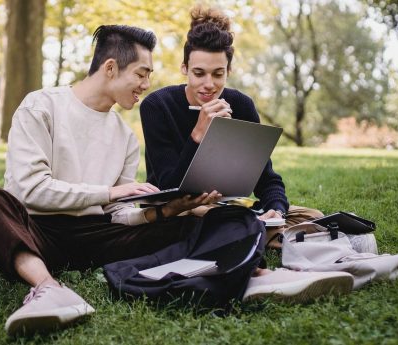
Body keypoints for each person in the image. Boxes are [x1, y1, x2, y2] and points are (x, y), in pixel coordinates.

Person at [0, 24, 352, 337]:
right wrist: (111, 191)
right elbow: (27, 189)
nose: (145, 84)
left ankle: (259, 274)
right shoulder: (42, 106)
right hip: (38, 229)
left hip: (99, 235)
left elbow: (118, 215)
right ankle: (49, 290)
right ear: (109, 68)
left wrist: (165, 210)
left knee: (202, 218)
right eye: (141, 73)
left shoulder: (123, 136)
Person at [139, 5, 324, 248]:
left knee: (313, 217)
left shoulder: (242, 106)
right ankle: (278, 239)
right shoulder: (157, 106)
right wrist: (198, 134)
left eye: (218, 74)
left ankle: (266, 232)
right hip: (180, 212)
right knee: (214, 220)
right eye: (198, 73)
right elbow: (168, 188)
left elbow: (267, 178)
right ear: (184, 69)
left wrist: (276, 210)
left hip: (230, 208)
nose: (209, 84)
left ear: (229, 71)